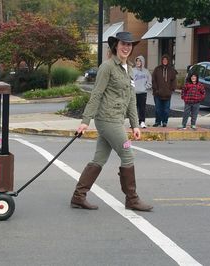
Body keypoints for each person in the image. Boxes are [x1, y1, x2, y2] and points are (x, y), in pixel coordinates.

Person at [70, 32, 153, 212]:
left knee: (99, 158)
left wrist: (135, 124)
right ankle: (132, 199)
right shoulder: (107, 67)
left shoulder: (128, 69)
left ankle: (78, 196)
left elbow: (131, 99)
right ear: (116, 46)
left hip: (117, 119)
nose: (126, 48)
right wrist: (85, 121)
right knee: (127, 155)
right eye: (123, 44)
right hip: (107, 119)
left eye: (129, 45)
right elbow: (96, 94)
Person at [152, 54, 178, 127]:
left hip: (167, 94)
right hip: (157, 94)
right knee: (158, 110)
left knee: (166, 110)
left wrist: (171, 90)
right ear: (161, 60)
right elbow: (154, 80)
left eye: (166, 60)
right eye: (163, 60)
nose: (165, 61)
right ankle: (157, 121)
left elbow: (174, 81)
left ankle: (164, 122)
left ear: (168, 61)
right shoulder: (157, 69)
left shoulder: (171, 70)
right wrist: (156, 90)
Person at [132, 55, 152, 128]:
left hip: (143, 93)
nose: (138, 62)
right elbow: (129, 80)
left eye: (139, 61)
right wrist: (132, 88)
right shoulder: (132, 70)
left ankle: (142, 122)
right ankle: (134, 123)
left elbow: (149, 82)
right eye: (137, 61)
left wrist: (144, 87)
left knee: (142, 108)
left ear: (142, 62)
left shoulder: (146, 71)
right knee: (133, 109)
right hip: (134, 93)